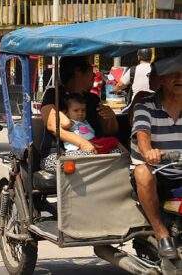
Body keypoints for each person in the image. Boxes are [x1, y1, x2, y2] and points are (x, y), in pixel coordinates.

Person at [131, 52, 182, 258]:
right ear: (161, 78)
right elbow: (142, 135)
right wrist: (148, 152)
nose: (179, 78)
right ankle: (161, 234)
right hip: (157, 174)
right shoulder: (146, 106)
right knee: (142, 172)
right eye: (173, 74)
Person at [40, 56, 119, 157]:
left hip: (93, 149)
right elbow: (52, 126)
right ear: (78, 71)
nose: (94, 74)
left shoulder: (93, 99)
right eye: (91, 70)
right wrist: (82, 143)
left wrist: (111, 117)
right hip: (59, 154)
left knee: (119, 152)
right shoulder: (53, 94)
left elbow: (110, 131)